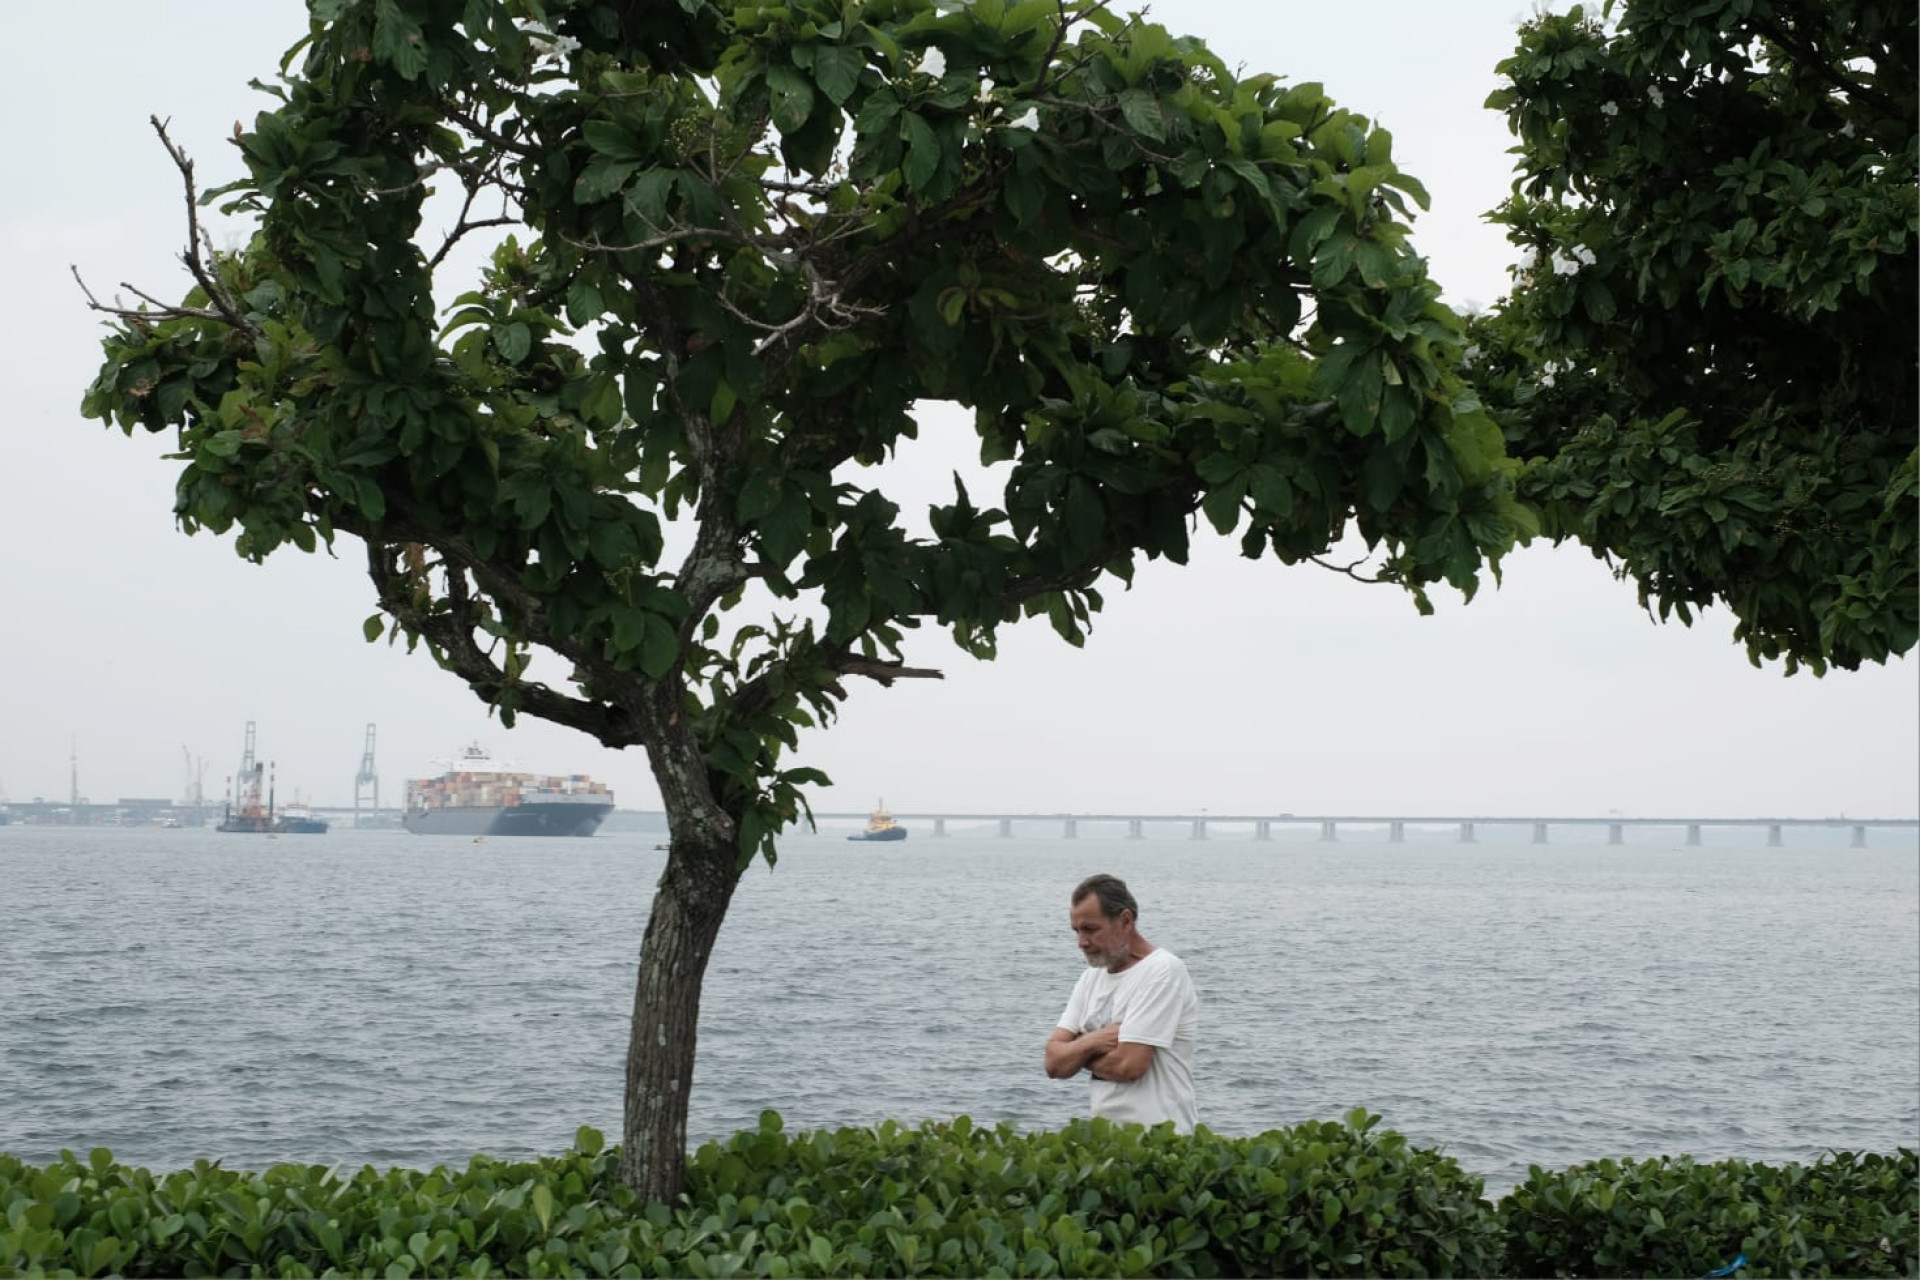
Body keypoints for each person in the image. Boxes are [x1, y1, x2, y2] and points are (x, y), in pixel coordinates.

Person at [1043, 873, 1199, 1132]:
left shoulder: (1163, 971)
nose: (1081, 942)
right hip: (1107, 1141)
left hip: (1162, 1139)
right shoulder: (1090, 978)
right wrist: (1096, 1041)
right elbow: (1052, 1063)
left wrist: (1076, 1052)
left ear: (1126, 920)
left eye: (1091, 929)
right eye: (1076, 931)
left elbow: (1129, 1066)